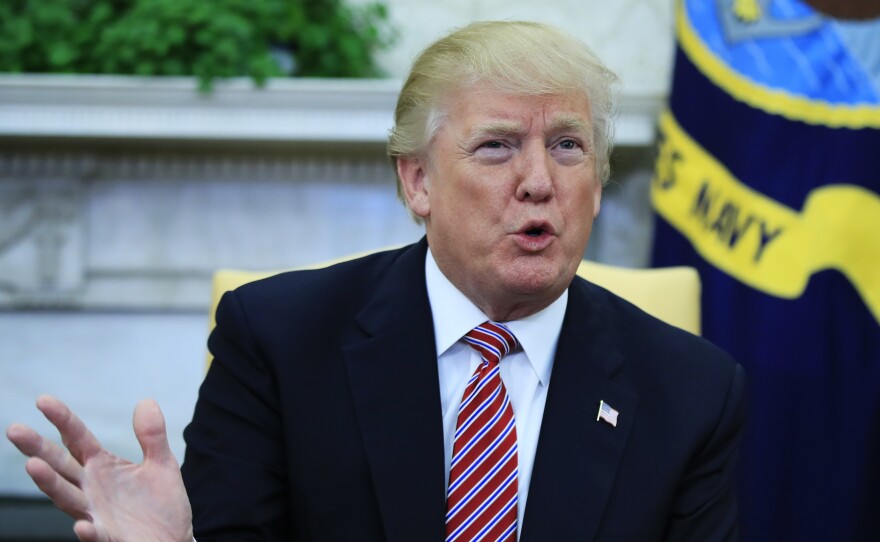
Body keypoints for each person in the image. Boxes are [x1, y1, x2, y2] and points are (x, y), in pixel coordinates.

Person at [6, 21, 745, 541]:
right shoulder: (279, 340)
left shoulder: (691, 390)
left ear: (599, 180)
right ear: (418, 180)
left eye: (567, 146)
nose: (538, 182)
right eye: (496, 147)